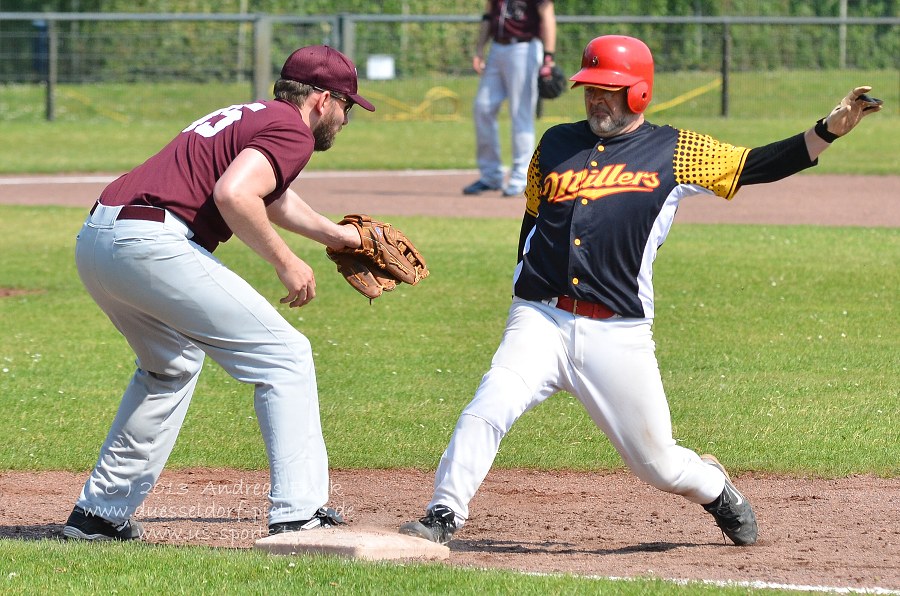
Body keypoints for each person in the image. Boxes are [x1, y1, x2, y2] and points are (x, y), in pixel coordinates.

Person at [401, 35, 882, 547]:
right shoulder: (554, 143)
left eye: (609, 88)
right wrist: (524, 282)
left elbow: (756, 164)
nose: (595, 99)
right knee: (489, 403)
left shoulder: (675, 149)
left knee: (659, 465)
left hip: (617, 331)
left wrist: (828, 131)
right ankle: (444, 513)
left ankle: (716, 487)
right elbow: (534, 217)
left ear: (640, 92)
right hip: (540, 317)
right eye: (590, 87)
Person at [62, 45, 376, 541]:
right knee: (285, 356)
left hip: (100, 239)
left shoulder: (257, 115)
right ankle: (300, 515)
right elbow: (235, 194)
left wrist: (336, 237)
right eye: (347, 105)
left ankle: (98, 515)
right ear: (321, 99)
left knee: (171, 365)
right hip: (149, 243)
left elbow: (268, 195)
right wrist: (286, 262)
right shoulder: (292, 129)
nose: (347, 117)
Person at [462, 0, 556, 198]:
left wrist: (548, 57)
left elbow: (547, 15)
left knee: (521, 114)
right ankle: (491, 176)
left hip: (524, 48)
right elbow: (488, 15)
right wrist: (480, 49)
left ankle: (521, 176)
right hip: (497, 48)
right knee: (483, 108)